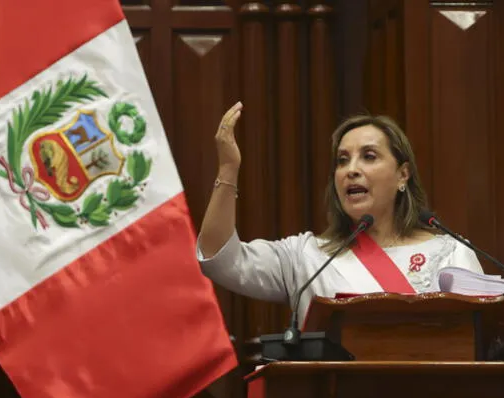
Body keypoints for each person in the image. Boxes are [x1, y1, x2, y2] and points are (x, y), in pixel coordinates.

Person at [197, 101, 483, 324]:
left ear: (402, 175)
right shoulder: (307, 257)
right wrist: (228, 169)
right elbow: (220, 259)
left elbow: (480, 342)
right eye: (342, 160)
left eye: (369, 156)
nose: (351, 170)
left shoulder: (451, 253)